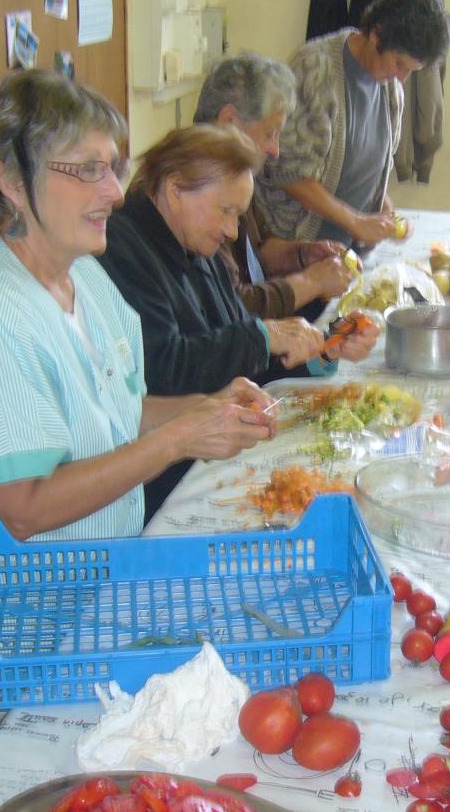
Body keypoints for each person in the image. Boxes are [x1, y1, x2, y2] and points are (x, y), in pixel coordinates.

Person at [0, 70, 274, 680]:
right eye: (85, 169)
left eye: (111, 166)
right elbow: (22, 509)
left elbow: (120, 410)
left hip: (78, 591)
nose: (114, 191)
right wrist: (179, 439)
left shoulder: (86, 277)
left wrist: (209, 406)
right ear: (12, 180)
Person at [97, 124, 377, 519]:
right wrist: (265, 335)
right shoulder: (120, 250)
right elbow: (164, 368)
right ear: (175, 190)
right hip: (165, 480)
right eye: (226, 211)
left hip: (220, 447)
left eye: (237, 215)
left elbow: (239, 348)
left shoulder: (198, 238)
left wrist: (324, 345)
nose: (232, 229)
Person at [255, 0, 450, 249]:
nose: (402, 78)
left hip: (345, 250)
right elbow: (288, 173)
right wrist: (356, 222)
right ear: (376, 35)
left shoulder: (391, 89)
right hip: (295, 247)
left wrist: (385, 213)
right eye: (399, 64)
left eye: (412, 71)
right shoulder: (315, 68)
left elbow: (367, 174)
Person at [193, 52, 355, 320]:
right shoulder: (199, 190)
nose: (275, 150)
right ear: (229, 121)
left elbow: (258, 250)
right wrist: (311, 283)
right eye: (270, 133)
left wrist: (303, 255)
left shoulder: (235, 174)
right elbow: (237, 307)